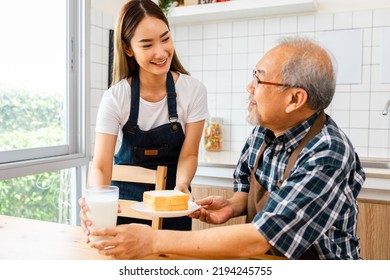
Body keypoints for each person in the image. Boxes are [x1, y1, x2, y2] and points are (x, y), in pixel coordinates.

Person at [86, 36, 365, 260]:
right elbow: (262, 194)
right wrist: (232, 205)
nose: (249, 87)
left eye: (259, 79)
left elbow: (261, 237)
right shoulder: (264, 132)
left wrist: (152, 240)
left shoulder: (327, 153)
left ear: (295, 99)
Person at [82, 0, 208, 231]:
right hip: (124, 205)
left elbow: (189, 153)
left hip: (173, 205)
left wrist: (182, 185)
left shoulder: (193, 90)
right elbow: (100, 166)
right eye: (147, 44)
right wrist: (98, 200)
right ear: (128, 49)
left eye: (165, 38)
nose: (161, 52)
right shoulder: (116, 97)